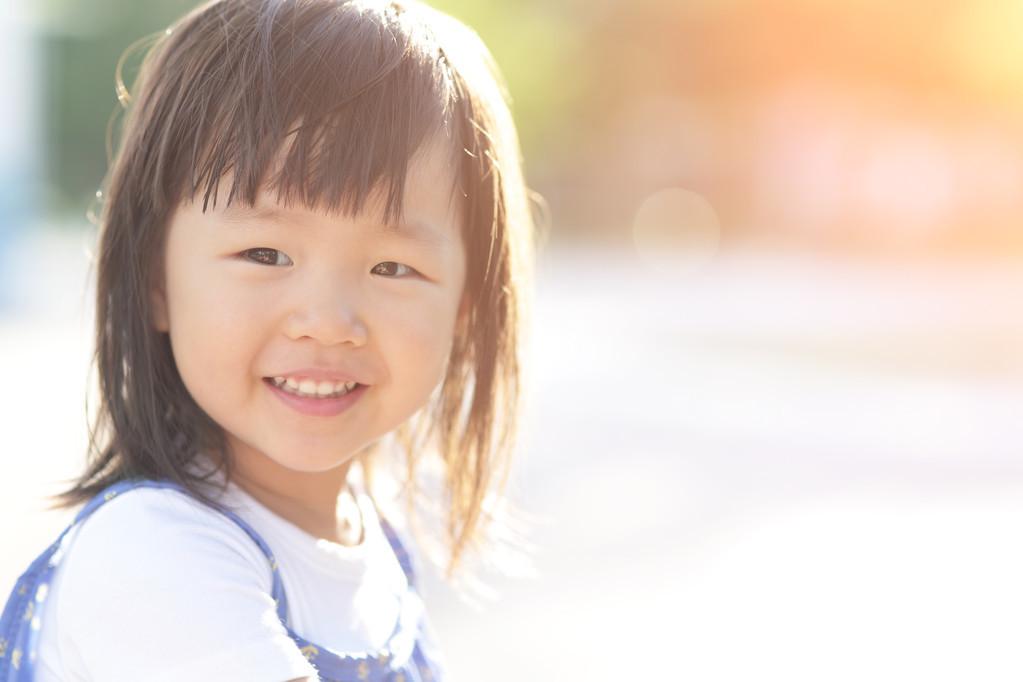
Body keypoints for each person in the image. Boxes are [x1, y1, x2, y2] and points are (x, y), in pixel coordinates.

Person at [0, 0, 536, 679]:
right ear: (154, 279)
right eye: (265, 254)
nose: (327, 321)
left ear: (467, 302)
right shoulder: (153, 558)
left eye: (392, 267)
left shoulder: (372, 543)